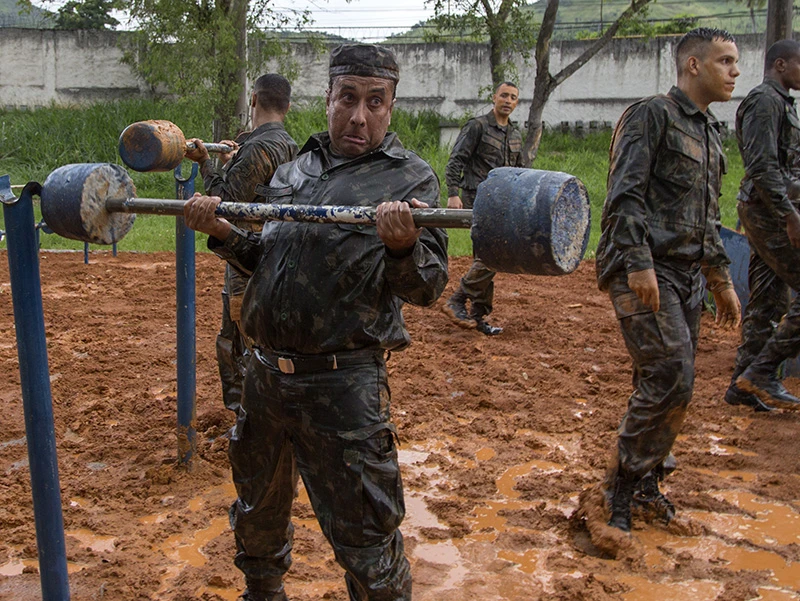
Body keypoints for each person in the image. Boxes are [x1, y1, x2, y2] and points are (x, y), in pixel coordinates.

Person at [184, 43, 449, 601]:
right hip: (263, 381)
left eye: (375, 102)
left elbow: (426, 287)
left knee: (366, 543)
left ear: (392, 106)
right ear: (327, 97)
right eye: (347, 98)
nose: (359, 115)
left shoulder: (411, 182)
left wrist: (402, 248)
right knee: (256, 520)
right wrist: (225, 232)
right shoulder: (293, 172)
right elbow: (270, 263)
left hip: (343, 389)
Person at [594, 28, 742, 533]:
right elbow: (623, 194)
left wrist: (719, 279)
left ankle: (647, 482)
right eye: (725, 61)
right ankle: (619, 485)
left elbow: (708, 214)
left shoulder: (710, 132)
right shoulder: (651, 114)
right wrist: (638, 262)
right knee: (671, 375)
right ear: (693, 65)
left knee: (661, 379)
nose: (735, 71)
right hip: (643, 268)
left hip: (686, 276)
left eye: (736, 62)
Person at [185, 74, 299, 415]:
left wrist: (206, 164)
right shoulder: (290, 147)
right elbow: (258, 187)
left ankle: (245, 418)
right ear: (288, 106)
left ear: (253, 100)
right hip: (276, 254)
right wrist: (233, 163)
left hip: (244, 260)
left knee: (238, 343)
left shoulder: (258, 148)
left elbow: (227, 202)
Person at [725, 40, 800, 412]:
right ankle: (763, 372)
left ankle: (744, 381)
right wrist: (789, 214)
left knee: (768, 299)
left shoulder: (781, 103)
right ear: (781, 65)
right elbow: (762, 166)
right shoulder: (764, 102)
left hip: (770, 208)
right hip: (768, 210)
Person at [441, 81, 523, 335]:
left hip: (504, 202)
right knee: (493, 254)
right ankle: (457, 299)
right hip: (479, 197)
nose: (508, 101)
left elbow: (521, 173)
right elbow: (456, 161)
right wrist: (453, 194)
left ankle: (477, 316)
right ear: (494, 98)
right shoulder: (477, 126)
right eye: (504, 96)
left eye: (513, 97)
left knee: (486, 256)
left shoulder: (516, 135)